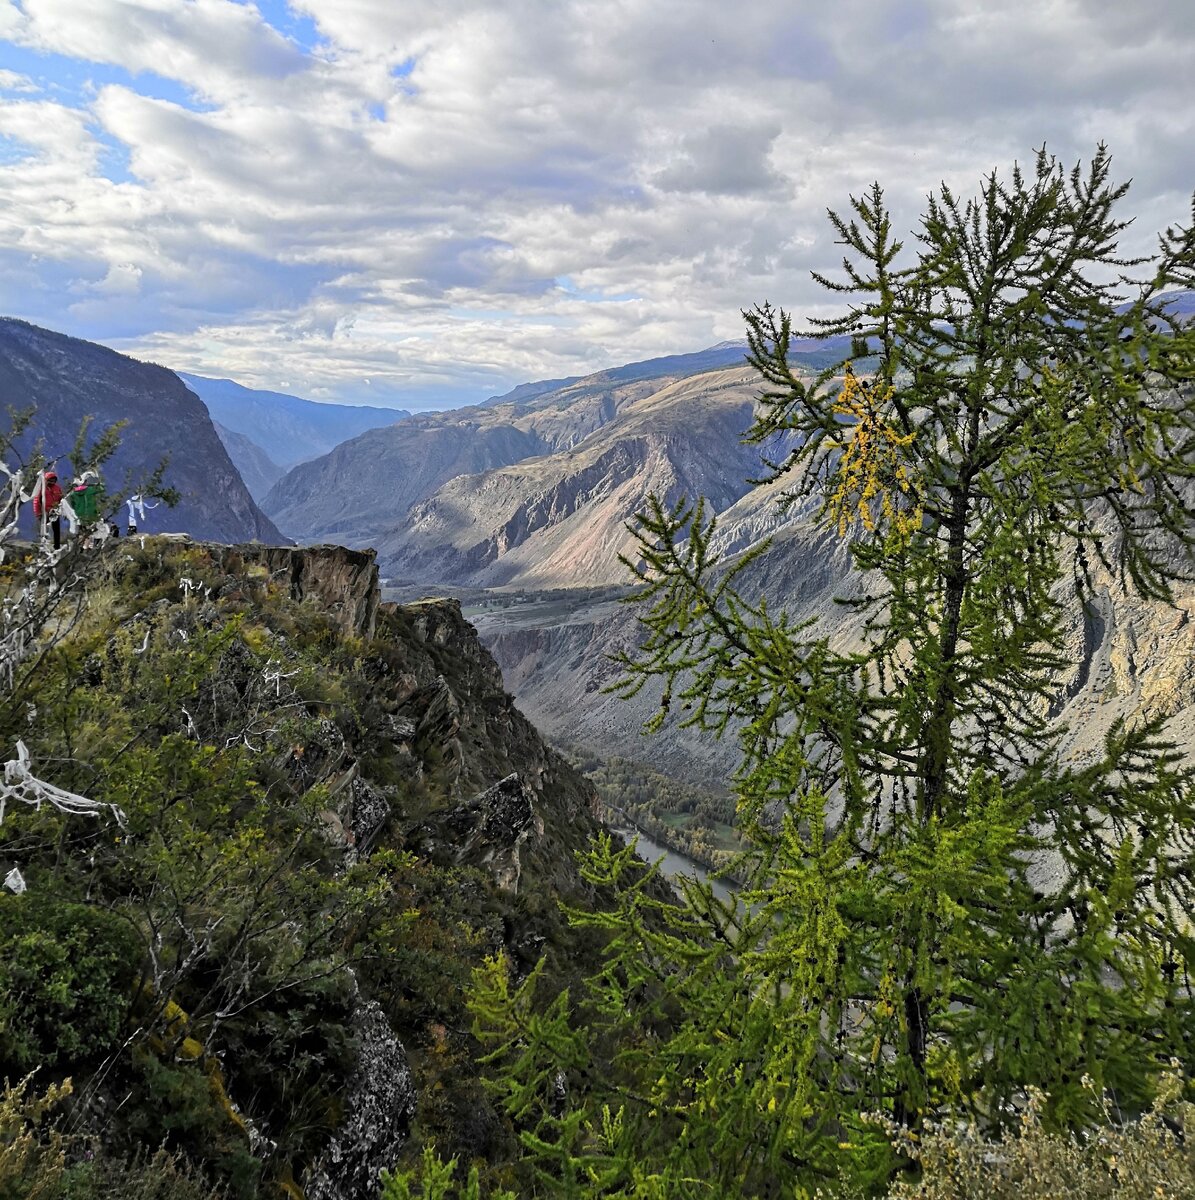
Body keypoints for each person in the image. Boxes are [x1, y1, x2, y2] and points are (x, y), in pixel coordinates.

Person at [31, 469, 63, 549]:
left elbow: (60, 498)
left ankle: (57, 546)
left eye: (54, 480)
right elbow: (36, 501)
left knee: (56, 530)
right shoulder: (41, 489)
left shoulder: (57, 488)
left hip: (54, 512)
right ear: (46, 480)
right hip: (44, 513)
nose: (52, 482)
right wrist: (38, 513)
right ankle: (43, 546)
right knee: (43, 530)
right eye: (50, 480)